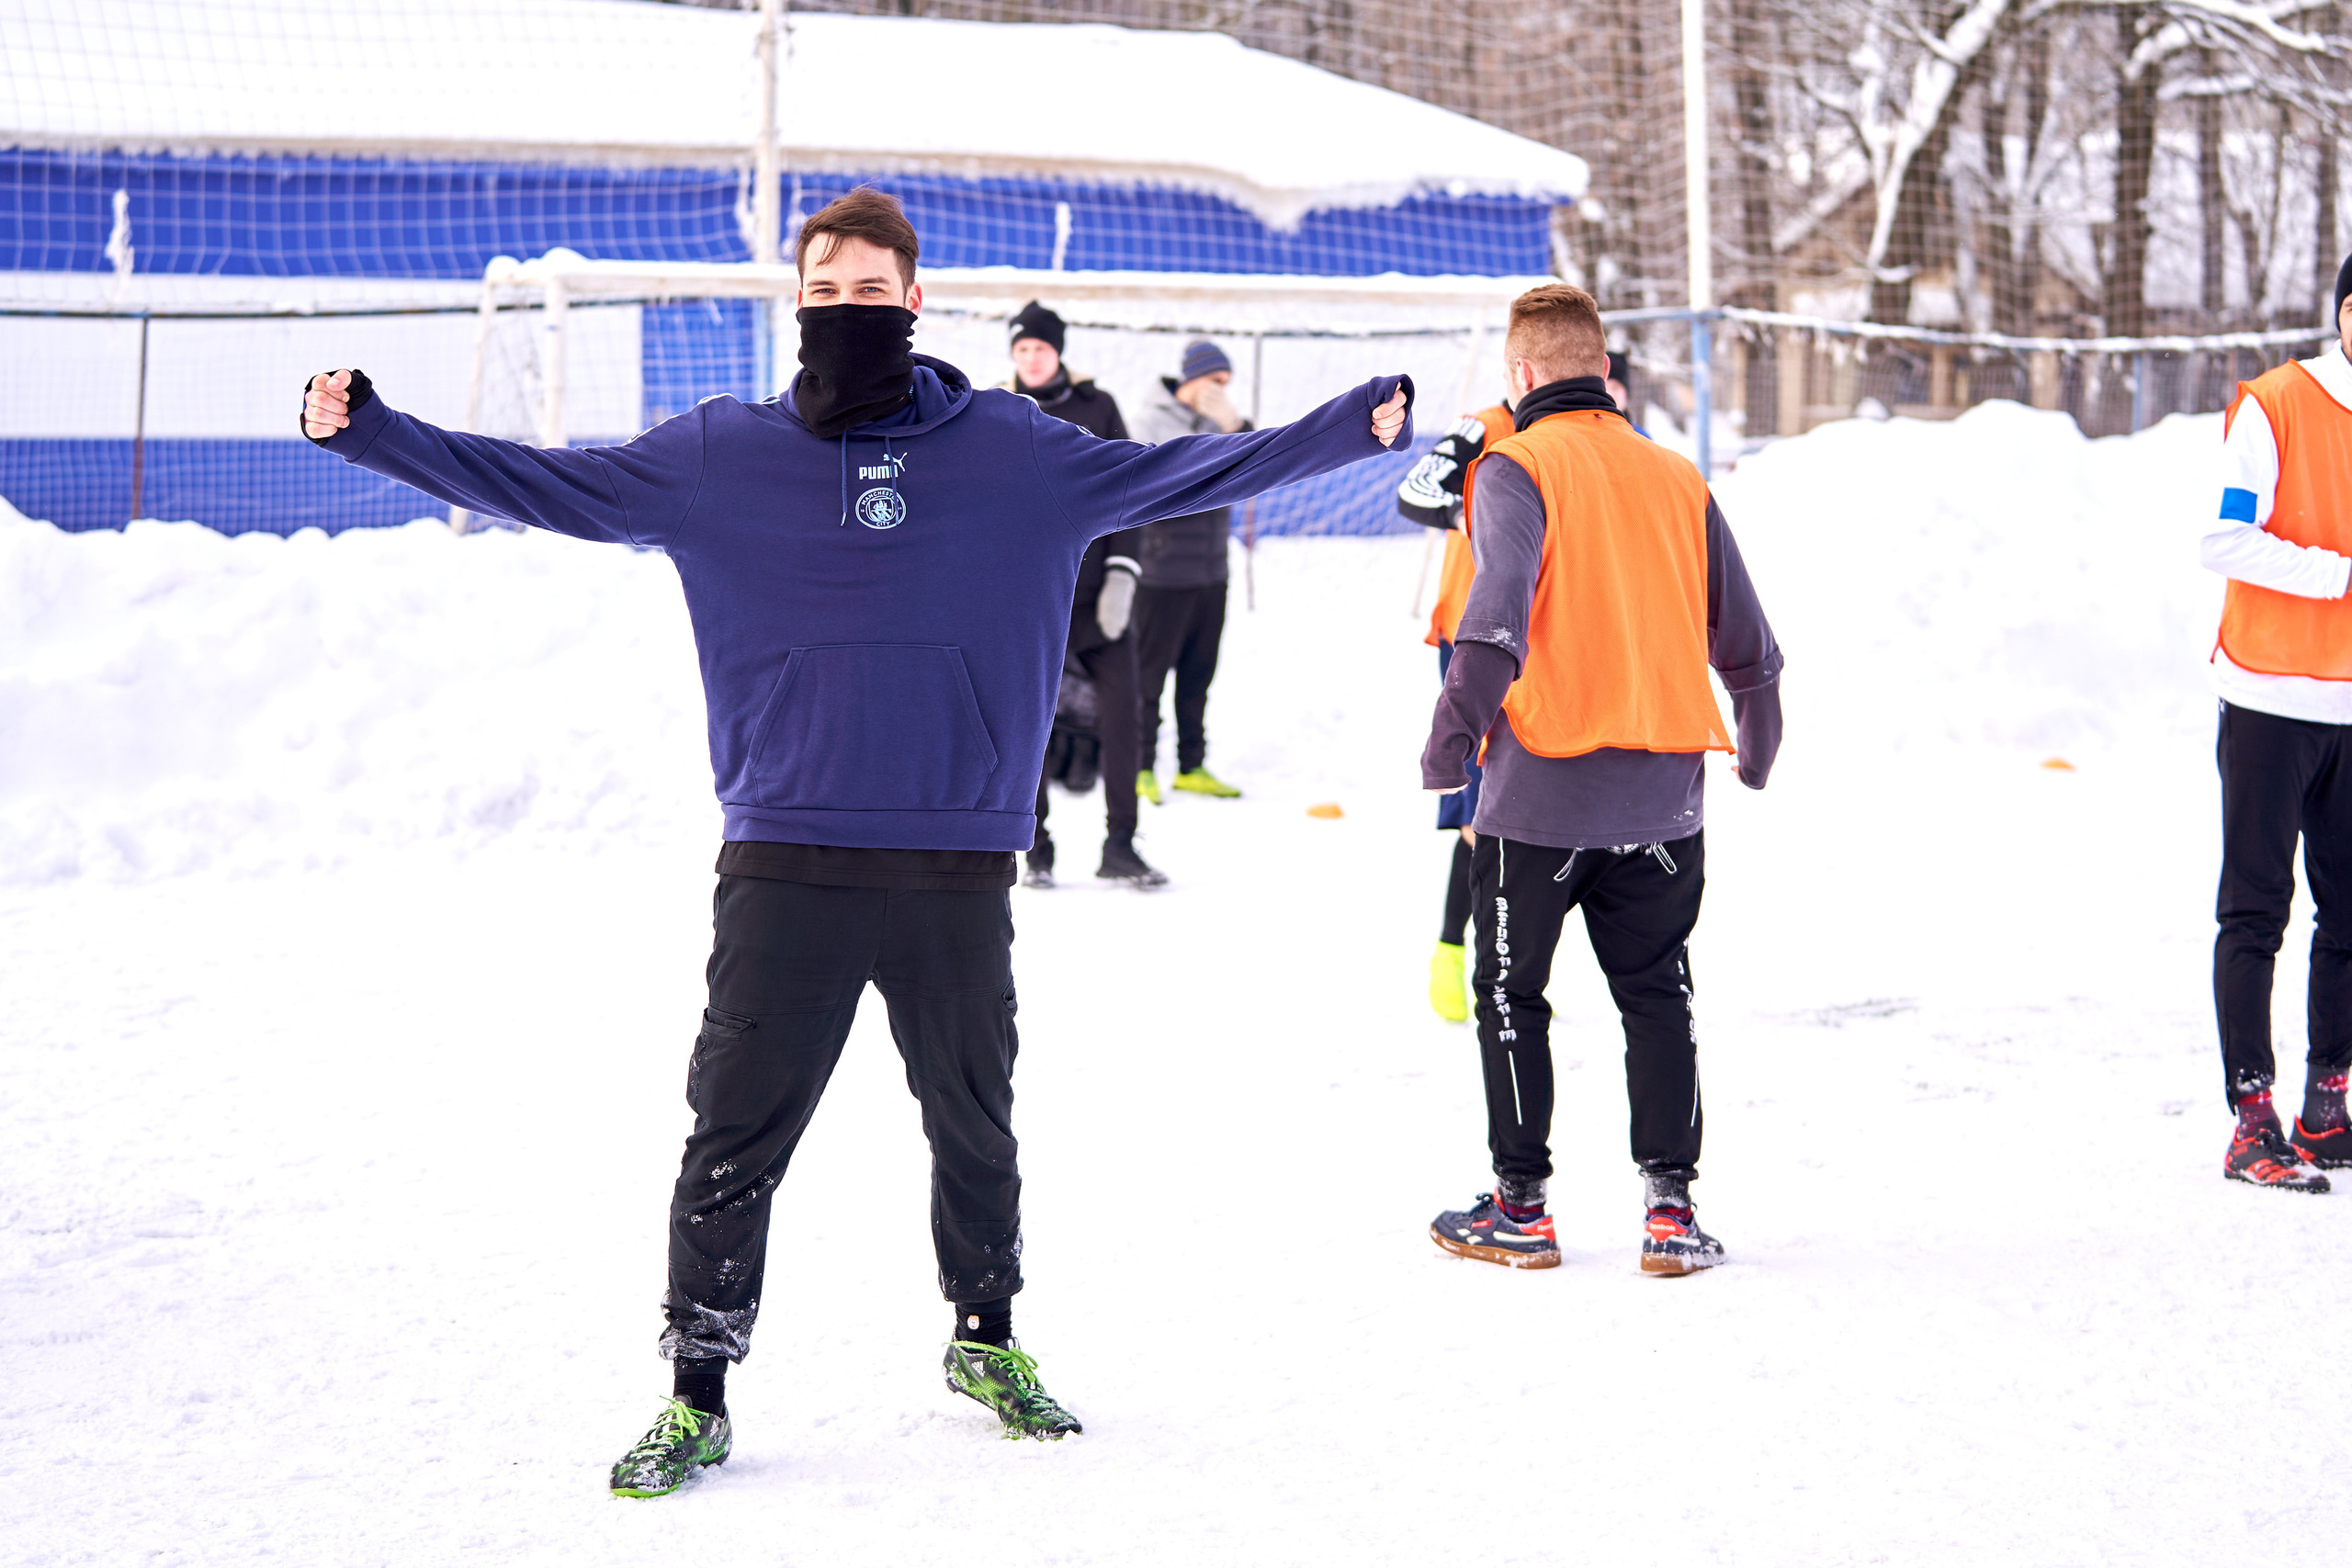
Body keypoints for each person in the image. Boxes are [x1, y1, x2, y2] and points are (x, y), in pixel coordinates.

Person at [299, 187, 1412, 1495]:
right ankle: (697, 1386)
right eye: (826, 295)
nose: (847, 312)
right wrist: (374, 432)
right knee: (734, 1131)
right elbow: (549, 484)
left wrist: (1351, 425)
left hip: (954, 862)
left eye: (871, 294)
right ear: (798, 305)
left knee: (974, 1120)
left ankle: (984, 1336)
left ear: (916, 302)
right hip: (787, 854)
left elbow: (1189, 471)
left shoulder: (1020, 451)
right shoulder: (719, 454)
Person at [1419, 283, 1782, 1277]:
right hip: (1665, 796)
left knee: (1509, 995)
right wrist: (1757, 729)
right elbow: (1746, 637)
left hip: (1538, 794)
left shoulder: (1514, 467)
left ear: (1520, 377)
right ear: (1605, 372)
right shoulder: (1676, 477)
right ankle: (1671, 1214)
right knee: (1658, 993)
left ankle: (1520, 1209)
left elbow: (1492, 619)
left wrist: (1449, 740)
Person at [2197, 252, 2352, 1193]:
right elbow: (2220, 537)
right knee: (2255, 910)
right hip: (2267, 698)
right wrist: (2338, 573)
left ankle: (2325, 1108)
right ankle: (2250, 1121)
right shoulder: (2276, 403)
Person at [1000, 299, 1163, 889]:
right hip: (1030, 605)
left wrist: (1123, 572)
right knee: (1029, 728)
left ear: (1058, 351)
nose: (1031, 358)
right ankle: (1035, 844)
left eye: (1040, 348)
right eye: (1022, 349)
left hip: (1098, 600)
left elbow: (1131, 490)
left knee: (1126, 717)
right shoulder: (997, 412)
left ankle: (1120, 843)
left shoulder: (1098, 408)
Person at [1397, 398, 1517, 1021]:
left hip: (1538, 638)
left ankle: (1509, 961)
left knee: (1528, 806)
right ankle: (1455, 949)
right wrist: (1473, 513)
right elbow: (1413, 491)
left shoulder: (1577, 429)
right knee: (1480, 809)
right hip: (1469, 635)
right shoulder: (1484, 425)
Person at [1130, 339, 1249, 802]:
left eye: (1226, 385)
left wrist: (1234, 427)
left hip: (1211, 571)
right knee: (1148, 678)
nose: (1219, 390)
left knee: (1199, 677)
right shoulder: (1148, 421)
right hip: (1161, 574)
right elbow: (1150, 484)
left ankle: (1191, 765)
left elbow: (1254, 467)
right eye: (1214, 381)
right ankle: (1139, 767)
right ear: (1191, 378)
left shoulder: (1225, 424)